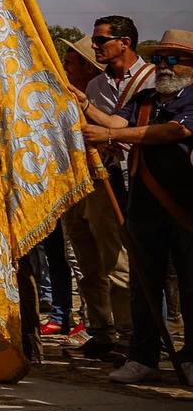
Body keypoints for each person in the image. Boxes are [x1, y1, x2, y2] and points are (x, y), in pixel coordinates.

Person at [86, 27, 193, 387]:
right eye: (161, 58)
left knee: (190, 282)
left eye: (173, 59)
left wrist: (112, 136)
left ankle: (191, 355)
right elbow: (117, 121)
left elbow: (174, 132)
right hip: (144, 204)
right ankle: (143, 356)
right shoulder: (147, 97)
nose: (165, 66)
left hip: (184, 205)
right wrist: (83, 105)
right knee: (144, 282)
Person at [55, 37, 130, 357]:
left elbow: (115, 130)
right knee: (85, 261)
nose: (66, 67)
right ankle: (100, 328)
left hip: (102, 179)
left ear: (86, 66)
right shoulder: (61, 95)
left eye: (71, 61)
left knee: (114, 259)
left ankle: (128, 332)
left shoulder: (103, 90)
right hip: (74, 180)